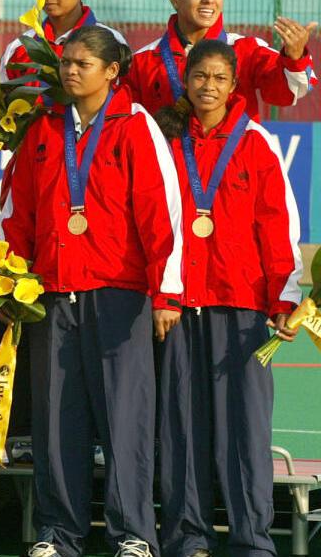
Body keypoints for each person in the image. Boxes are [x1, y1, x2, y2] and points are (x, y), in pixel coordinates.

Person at [0, 26, 184, 557]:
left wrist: (165, 294)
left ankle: (132, 535)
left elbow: (160, 215)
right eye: (66, 63)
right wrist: (15, 282)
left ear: (112, 71)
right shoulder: (42, 131)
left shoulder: (135, 126)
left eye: (83, 63)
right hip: (54, 292)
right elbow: (19, 214)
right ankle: (58, 533)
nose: (71, 71)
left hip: (119, 295)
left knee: (123, 417)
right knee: (57, 419)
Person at [153, 40, 303, 557]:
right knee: (180, 426)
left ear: (233, 85)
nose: (209, 87)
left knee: (243, 427)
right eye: (200, 77)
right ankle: (187, 537)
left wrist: (284, 298)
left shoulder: (256, 143)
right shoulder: (166, 143)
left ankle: (251, 540)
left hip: (240, 305)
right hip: (178, 305)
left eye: (219, 78)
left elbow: (276, 223)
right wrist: (160, 293)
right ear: (186, 81)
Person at [124, 0, 317, 121]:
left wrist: (295, 57)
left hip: (233, 162)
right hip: (167, 164)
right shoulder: (143, 61)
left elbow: (287, 93)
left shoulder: (246, 49)